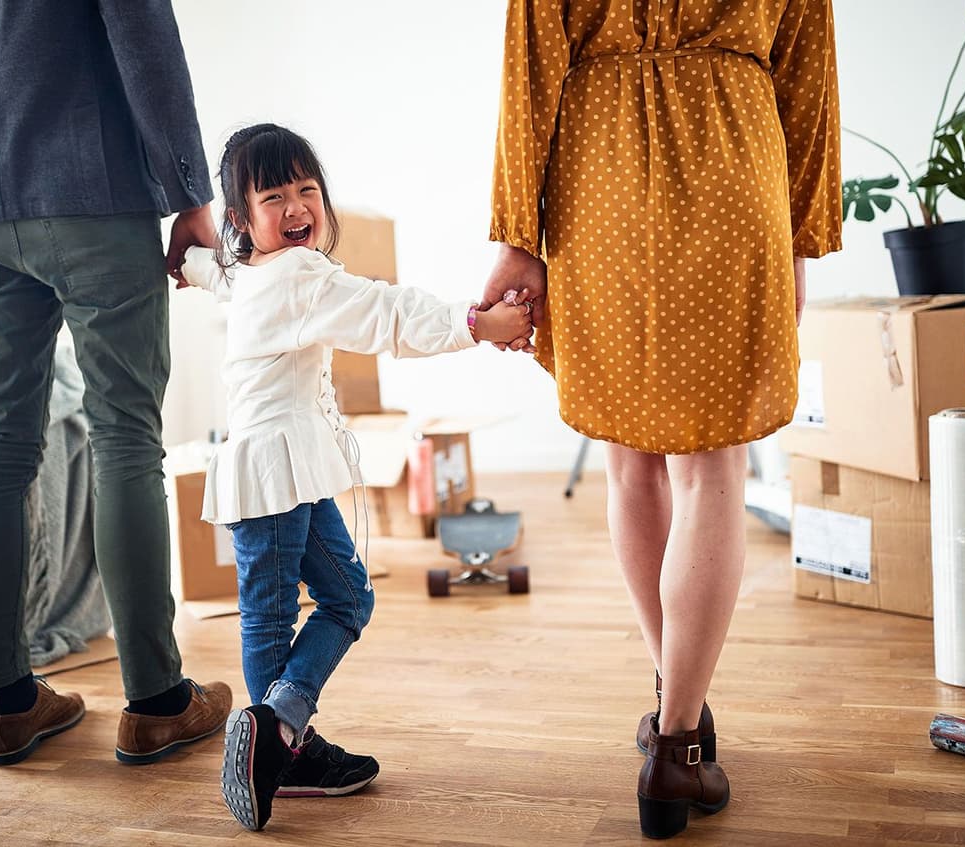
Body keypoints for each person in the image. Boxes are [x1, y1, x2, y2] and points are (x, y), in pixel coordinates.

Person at [482, 0, 841, 838]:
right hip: (734, 162)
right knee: (713, 468)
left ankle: (676, 710)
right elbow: (805, 64)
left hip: (599, 175)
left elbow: (530, 58)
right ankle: (681, 737)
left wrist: (515, 236)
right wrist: (798, 237)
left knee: (628, 460)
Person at [0, 0, 233, 767]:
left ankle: (8, 703)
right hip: (97, 190)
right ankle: (158, 703)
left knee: (0, 442)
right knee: (125, 435)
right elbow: (143, 32)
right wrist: (189, 193)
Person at [180, 124, 533, 832]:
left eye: (306, 189)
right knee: (275, 616)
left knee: (346, 597)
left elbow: (209, 269)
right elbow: (388, 314)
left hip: (292, 472)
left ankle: (279, 728)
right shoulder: (297, 275)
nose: (296, 206)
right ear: (242, 219)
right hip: (274, 473)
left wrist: (184, 256)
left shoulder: (249, 271)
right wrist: (480, 324)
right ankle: (279, 743)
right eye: (273, 197)